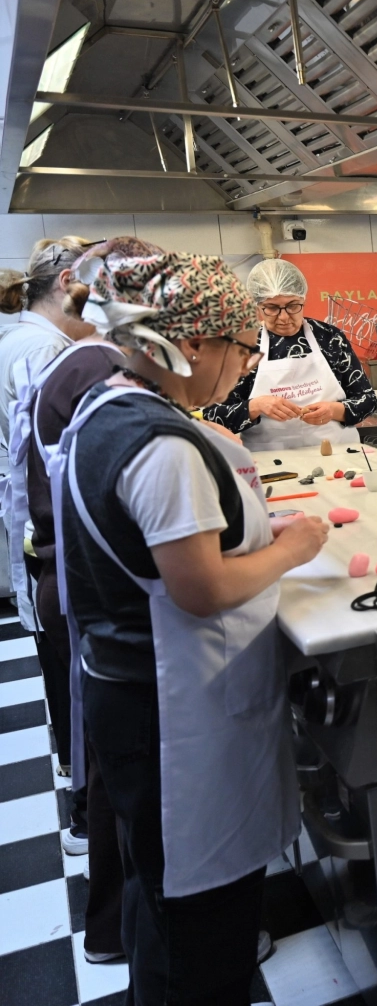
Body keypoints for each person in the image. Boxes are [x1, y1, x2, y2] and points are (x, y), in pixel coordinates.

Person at [57, 249, 329, 1004]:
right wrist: (294, 546)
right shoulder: (163, 446)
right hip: (174, 716)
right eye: (244, 348)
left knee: (168, 899)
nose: (246, 368)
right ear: (195, 343)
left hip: (141, 694)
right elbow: (202, 589)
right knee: (199, 924)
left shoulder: (113, 407)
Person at [13, 237, 164, 965]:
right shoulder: (94, 369)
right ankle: (121, 932)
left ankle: (115, 932)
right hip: (97, 595)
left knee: (108, 767)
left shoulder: (70, 362)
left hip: (75, 586)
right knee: (120, 777)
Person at [0, 237, 90, 766]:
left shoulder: (19, 339)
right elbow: (52, 450)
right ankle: (82, 803)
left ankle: (75, 771)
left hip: (36, 526)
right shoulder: (44, 350)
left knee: (60, 660)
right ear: (64, 284)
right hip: (50, 529)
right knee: (69, 665)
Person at [203, 259, 376, 450]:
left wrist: (335, 410)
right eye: (272, 308)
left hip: (339, 454)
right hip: (271, 461)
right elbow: (212, 415)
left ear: (303, 299)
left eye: (293, 305)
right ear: (257, 306)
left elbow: (366, 399)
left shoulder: (329, 338)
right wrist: (256, 406)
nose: (284, 317)